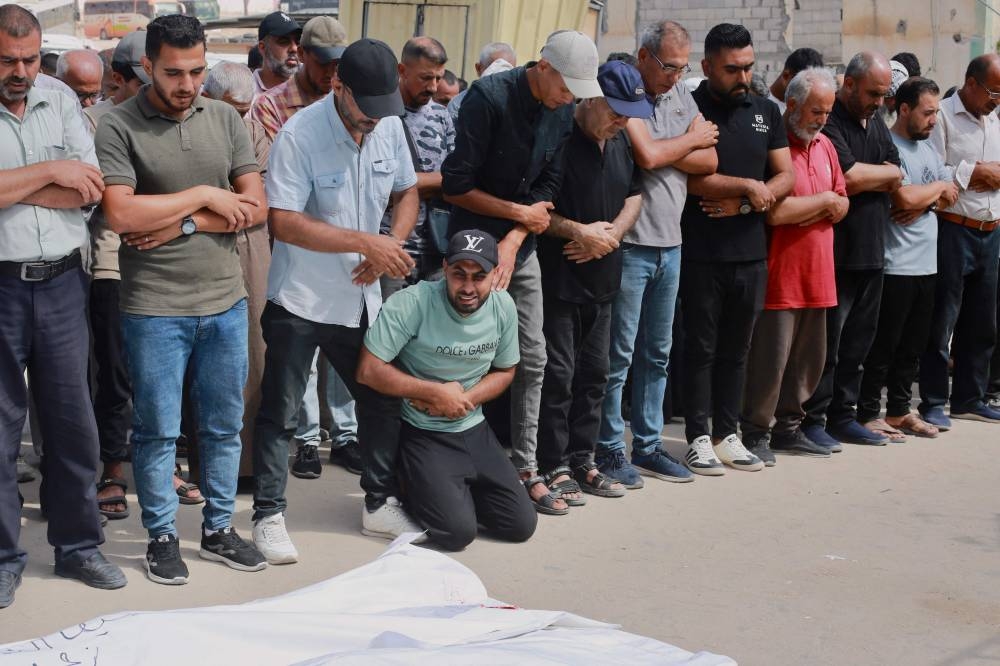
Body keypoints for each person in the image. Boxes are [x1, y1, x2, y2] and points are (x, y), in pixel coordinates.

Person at [96, 14, 268, 585]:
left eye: (197, 71)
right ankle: (162, 535)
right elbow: (121, 214)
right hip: (154, 308)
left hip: (225, 301)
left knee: (222, 427)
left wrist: (183, 222)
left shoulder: (224, 118)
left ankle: (219, 529)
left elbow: (257, 207)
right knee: (157, 431)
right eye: (174, 72)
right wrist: (204, 196)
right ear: (148, 65)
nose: (188, 84)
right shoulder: (118, 125)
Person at [252, 38, 422, 564]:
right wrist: (361, 242)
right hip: (300, 299)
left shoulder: (388, 124)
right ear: (337, 86)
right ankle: (268, 515)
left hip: (360, 299)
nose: (373, 121)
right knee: (280, 413)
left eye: (382, 111)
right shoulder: (299, 135)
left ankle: (378, 502)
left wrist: (389, 240)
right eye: (365, 110)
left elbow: (408, 191)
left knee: (379, 398)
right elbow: (281, 220)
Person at [441, 29, 601, 510]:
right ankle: (455, 465)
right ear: (544, 67)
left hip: (520, 245)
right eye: (565, 85)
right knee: (465, 358)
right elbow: (454, 186)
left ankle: (524, 466)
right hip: (472, 244)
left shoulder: (564, 111)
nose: (570, 97)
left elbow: (548, 185)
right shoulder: (487, 99)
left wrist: (514, 239)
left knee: (532, 358)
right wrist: (514, 220)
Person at [0, 4, 127, 608]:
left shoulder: (61, 98)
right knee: (0, 430)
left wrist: (14, 184)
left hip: (60, 284)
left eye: (28, 59)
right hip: (0, 286)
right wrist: (52, 169)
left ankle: (78, 547)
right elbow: (68, 180)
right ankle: (4, 556)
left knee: (72, 421)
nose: (20, 71)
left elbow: (93, 187)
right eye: (7, 60)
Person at [595, 20, 718, 487]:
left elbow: (711, 161)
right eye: (668, 66)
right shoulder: (629, 94)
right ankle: (609, 449)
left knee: (658, 354)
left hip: (672, 245)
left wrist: (674, 149)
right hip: (631, 245)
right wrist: (689, 141)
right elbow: (646, 156)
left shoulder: (681, 96)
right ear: (644, 57)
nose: (674, 76)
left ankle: (646, 446)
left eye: (682, 68)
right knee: (619, 356)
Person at [357, 230, 536, 550]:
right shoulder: (412, 302)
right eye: (459, 275)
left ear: (495, 273)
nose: (468, 287)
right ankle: (409, 483)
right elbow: (368, 370)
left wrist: (462, 399)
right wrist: (433, 393)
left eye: (479, 277)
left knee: (520, 525)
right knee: (456, 534)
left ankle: (450, 493)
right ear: (444, 268)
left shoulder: (503, 306)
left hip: (472, 425)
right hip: (422, 430)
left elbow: (507, 371)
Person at [535, 60, 651, 506]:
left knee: (595, 376)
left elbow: (635, 194)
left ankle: (584, 459)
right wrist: (579, 232)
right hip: (560, 279)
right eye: (615, 111)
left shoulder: (618, 141)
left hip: (604, 278)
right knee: (558, 376)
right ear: (590, 98)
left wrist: (612, 235)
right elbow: (538, 210)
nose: (621, 121)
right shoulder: (559, 137)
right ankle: (553, 463)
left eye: (627, 114)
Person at [680, 23, 795, 475]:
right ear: (707, 67)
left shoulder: (766, 110)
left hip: (751, 253)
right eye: (732, 69)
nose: (743, 77)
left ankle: (729, 434)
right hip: (701, 252)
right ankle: (698, 437)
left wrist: (747, 199)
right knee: (700, 349)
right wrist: (747, 183)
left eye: (748, 67)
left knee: (737, 349)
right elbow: (686, 176)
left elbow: (785, 176)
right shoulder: (688, 108)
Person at [740, 67, 848, 463]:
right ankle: (756, 432)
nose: (822, 120)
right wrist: (820, 205)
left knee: (808, 360)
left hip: (819, 273)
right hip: (781, 272)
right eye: (816, 112)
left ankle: (789, 428)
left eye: (827, 113)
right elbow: (777, 212)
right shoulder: (777, 145)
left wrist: (818, 206)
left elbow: (843, 201)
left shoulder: (825, 146)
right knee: (771, 358)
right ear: (792, 106)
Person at [800, 52, 904, 448]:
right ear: (849, 85)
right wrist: (879, 174)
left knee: (859, 344)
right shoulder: (832, 122)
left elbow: (897, 172)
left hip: (873, 252)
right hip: (838, 255)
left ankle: (845, 416)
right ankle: (813, 419)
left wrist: (879, 174)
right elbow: (849, 177)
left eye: (883, 95)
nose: (880, 102)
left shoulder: (876, 121)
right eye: (873, 93)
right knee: (827, 346)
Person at [858, 77, 959, 440]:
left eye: (935, 112)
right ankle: (869, 412)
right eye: (927, 112)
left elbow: (952, 194)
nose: (934, 120)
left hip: (927, 264)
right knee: (883, 346)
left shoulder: (930, 150)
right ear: (903, 109)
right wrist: (932, 195)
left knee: (912, 348)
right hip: (895, 263)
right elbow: (901, 199)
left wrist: (926, 199)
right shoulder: (888, 145)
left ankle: (900, 411)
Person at [84, 30, 151, 520]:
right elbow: (102, 203)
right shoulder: (93, 123)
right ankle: (113, 468)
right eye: (142, 80)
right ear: (118, 79)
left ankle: (157, 464)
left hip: (164, 265)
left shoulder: (170, 118)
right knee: (114, 375)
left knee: (161, 376)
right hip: (110, 264)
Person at [202, 60, 274, 481]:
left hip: (249, 249)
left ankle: (245, 468)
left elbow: (255, 205)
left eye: (246, 109)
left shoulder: (254, 132)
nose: (241, 117)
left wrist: (203, 204)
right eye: (232, 108)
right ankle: (201, 465)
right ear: (207, 97)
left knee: (254, 353)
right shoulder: (185, 129)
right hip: (190, 254)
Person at [920, 54, 1000, 425]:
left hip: (990, 230)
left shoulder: (994, 121)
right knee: (943, 319)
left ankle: (971, 397)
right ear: (971, 83)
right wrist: (973, 172)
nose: (996, 100)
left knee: (982, 321)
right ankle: (934, 401)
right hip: (952, 227)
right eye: (993, 91)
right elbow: (932, 169)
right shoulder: (944, 117)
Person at [380, 36, 455, 295]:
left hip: (436, 248)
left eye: (438, 78)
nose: (434, 87)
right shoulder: (379, 115)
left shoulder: (441, 116)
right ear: (402, 70)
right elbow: (378, 184)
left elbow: (457, 180)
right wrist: (433, 181)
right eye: (426, 78)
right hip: (391, 251)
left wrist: (406, 185)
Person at [250, 15, 347, 141]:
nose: (331, 72)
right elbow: (281, 159)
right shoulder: (269, 106)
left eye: (337, 64)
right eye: (323, 63)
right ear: (301, 54)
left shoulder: (346, 98)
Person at [446, 41, 516, 120]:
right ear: (478, 68)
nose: (499, 83)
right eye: (494, 77)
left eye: (506, 75)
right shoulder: (458, 105)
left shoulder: (521, 104)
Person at [253, 11, 301, 99]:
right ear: (263, 48)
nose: (294, 48)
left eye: (298, 42)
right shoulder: (246, 92)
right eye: (284, 42)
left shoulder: (308, 88)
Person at [767, 47, 823, 113]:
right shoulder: (760, 107)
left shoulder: (803, 109)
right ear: (786, 76)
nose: (807, 92)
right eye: (803, 86)